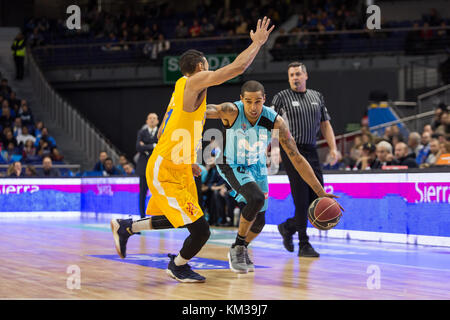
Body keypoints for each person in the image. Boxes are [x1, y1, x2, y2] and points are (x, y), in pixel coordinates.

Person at [110, 17, 275, 283]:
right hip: (165, 168)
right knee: (201, 231)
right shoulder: (193, 82)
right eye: (207, 65)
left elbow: (167, 129)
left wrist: (189, 161)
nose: (209, 69)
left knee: (182, 219)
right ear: (200, 67)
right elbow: (238, 67)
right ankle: (177, 265)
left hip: (179, 167)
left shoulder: (181, 92)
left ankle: (126, 227)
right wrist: (256, 43)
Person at [206, 80, 340, 273]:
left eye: (258, 101)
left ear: (264, 100)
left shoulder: (276, 121)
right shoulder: (231, 111)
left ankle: (240, 247)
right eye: (249, 101)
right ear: (241, 99)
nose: (253, 107)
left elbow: (297, 159)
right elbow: (204, 111)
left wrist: (320, 192)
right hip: (231, 164)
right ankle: (238, 247)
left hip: (257, 166)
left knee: (259, 222)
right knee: (256, 198)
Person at [272, 61, 338, 257]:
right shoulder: (281, 97)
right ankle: (303, 244)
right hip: (292, 151)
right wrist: (275, 148)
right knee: (301, 200)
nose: (294, 78)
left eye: (298, 74)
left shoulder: (317, 96)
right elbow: (271, 123)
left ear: (306, 76)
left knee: (317, 198)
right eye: (291, 75)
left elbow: (325, 124)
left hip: (312, 150)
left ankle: (288, 227)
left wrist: (333, 148)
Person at [135, 113, 159, 218]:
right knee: (142, 194)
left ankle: (158, 216)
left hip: (157, 167)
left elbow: (161, 147)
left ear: (158, 121)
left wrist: (145, 146)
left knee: (158, 193)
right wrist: (153, 146)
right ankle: (142, 216)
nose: (152, 120)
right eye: (150, 118)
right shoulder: (141, 132)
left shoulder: (161, 132)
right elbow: (138, 148)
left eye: (154, 118)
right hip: (143, 167)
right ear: (147, 121)